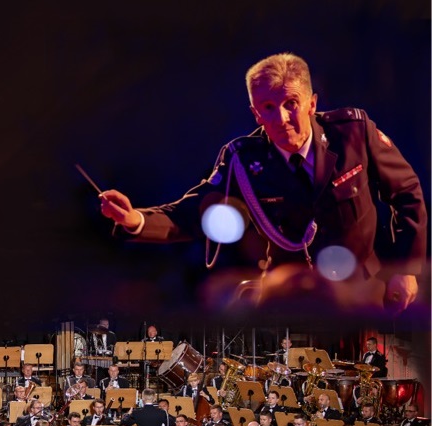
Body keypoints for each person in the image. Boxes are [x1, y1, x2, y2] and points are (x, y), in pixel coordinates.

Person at [99, 52, 427, 315]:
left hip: (360, 290)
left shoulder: (353, 133)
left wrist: (407, 269)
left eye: (291, 103)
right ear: (256, 114)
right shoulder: (242, 160)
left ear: (312, 104)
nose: (281, 118)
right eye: (268, 108)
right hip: (287, 296)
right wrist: (135, 219)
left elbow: (406, 193)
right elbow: (193, 214)